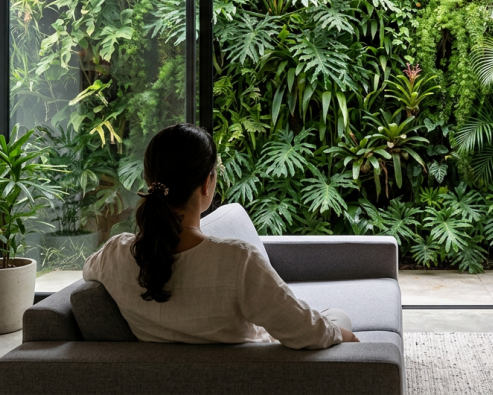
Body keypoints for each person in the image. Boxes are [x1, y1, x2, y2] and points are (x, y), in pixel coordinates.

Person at [83, 123, 358, 348]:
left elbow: (88, 270)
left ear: (148, 180)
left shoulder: (115, 254)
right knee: (337, 316)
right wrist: (348, 338)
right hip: (259, 376)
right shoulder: (237, 261)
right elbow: (308, 332)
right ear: (207, 183)